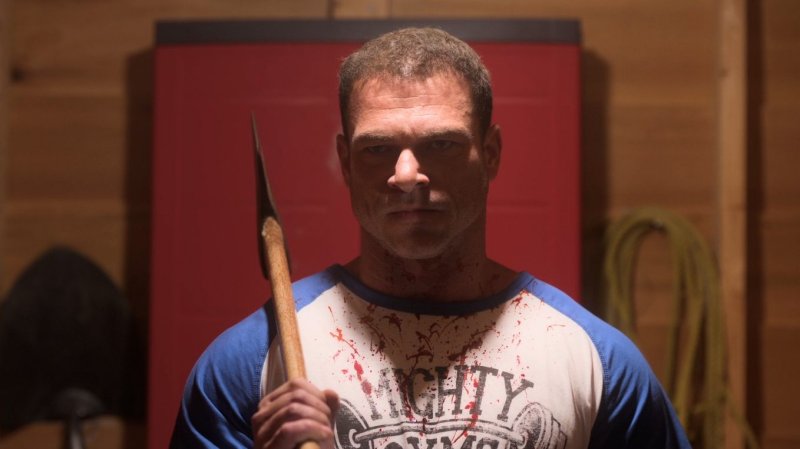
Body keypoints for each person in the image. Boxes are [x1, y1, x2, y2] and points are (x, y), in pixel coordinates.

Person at [170, 27, 691, 449]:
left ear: (490, 154)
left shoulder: (595, 363)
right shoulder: (249, 365)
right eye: (377, 149)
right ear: (346, 162)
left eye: (441, 144)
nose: (405, 174)